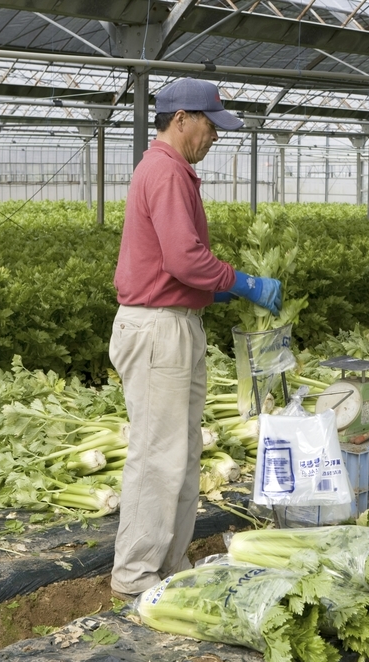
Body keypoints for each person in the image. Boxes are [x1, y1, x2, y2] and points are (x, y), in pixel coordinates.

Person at [108, 77, 282, 600]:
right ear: (181, 119)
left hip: (172, 320)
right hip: (158, 328)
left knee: (181, 454)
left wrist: (213, 291)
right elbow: (184, 258)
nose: (215, 136)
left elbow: (172, 264)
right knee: (158, 455)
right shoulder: (165, 170)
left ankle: (168, 563)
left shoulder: (170, 169)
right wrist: (242, 282)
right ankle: (135, 574)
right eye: (210, 124)